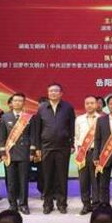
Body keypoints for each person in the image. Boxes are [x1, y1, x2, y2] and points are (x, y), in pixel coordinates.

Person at [32, 83, 75, 214]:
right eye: (51, 91)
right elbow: (37, 129)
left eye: (56, 91)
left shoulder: (68, 107)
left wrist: (72, 143)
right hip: (46, 147)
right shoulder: (42, 108)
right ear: (48, 93)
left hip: (63, 147)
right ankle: (47, 204)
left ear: (61, 93)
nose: (53, 93)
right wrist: (37, 147)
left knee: (62, 177)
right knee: (47, 176)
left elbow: (72, 127)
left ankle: (62, 204)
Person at [0, 93, 34, 215]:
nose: (17, 103)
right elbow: (2, 136)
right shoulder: (5, 117)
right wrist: (2, 152)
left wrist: (32, 151)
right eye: (15, 100)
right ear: (11, 103)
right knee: (11, 181)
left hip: (24, 152)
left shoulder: (29, 117)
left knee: (23, 180)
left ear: (24, 103)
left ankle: (23, 204)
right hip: (10, 152)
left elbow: (32, 135)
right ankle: (12, 204)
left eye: (20, 101)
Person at [75, 95, 100, 215]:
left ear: (96, 105)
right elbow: (76, 136)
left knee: (96, 180)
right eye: (87, 103)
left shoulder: (101, 119)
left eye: (92, 103)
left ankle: (96, 204)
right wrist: (78, 152)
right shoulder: (79, 119)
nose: (89, 105)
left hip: (96, 152)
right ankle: (86, 204)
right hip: (82, 152)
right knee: (83, 180)